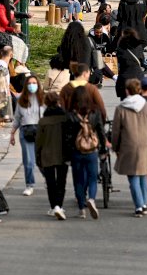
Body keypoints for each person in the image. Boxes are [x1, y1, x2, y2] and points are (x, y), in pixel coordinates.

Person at [112, 77, 147, 217]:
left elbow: (116, 131)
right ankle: (144, 203)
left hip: (128, 145)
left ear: (127, 91)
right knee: (143, 175)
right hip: (146, 145)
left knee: (133, 177)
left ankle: (139, 205)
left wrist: (116, 147)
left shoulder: (121, 108)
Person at [66, 84, 105, 219]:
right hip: (91, 150)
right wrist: (103, 149)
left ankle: (82, 208)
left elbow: (67, 136)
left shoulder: (71, 114)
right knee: (92, 177)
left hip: (76, 151)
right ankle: (92, 199)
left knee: (78, 180)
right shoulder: (94, 112)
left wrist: (67, 153)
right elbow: (100, 131)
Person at [36, 91, 70, 220]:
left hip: (47, 154)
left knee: (50, 182)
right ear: (58, 102)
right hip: (62, 153)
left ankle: (53, 206)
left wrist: (38, 157)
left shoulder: (43, 121)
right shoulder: (65, 118)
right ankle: (59, 206)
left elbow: (38, 141)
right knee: (61, 181)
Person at [11, 74, 43, 196]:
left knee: (42, 160)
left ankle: (51, 181)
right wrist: (12, 134)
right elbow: (17, 119)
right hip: (25, 131)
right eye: (29, 83)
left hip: (40, 131)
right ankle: (29, 184)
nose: (32, 86)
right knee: (28, 161)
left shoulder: (42, 99)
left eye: (34, 83)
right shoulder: (21, 100)